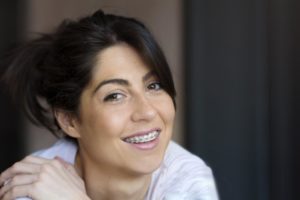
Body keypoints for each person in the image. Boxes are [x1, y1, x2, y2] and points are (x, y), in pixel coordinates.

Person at [0, 9, 219, 200]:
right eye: (115, 95)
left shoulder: (187, 179)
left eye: (154, 86)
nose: (147, 111)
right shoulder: (35, 186)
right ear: (70, 120)